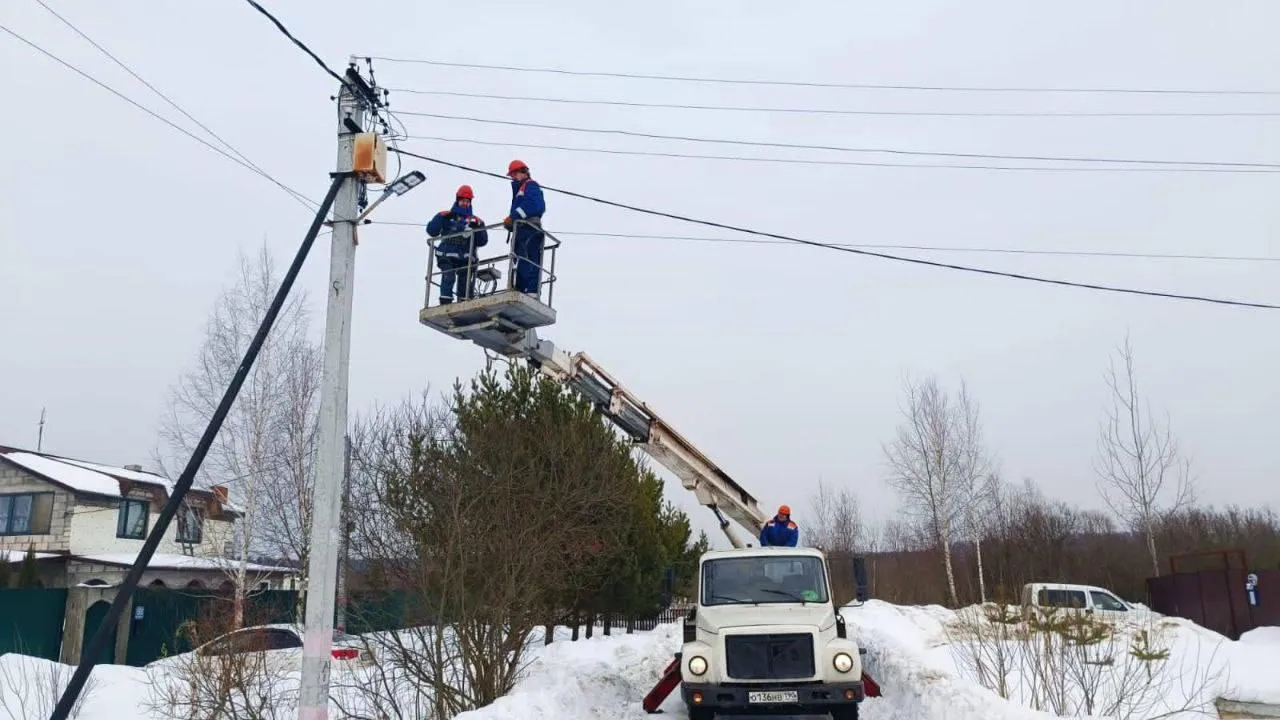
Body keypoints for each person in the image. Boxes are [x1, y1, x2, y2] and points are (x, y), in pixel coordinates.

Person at [427, 184, 488, 303]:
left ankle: (464, 301)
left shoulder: (476, 221)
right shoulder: (446, 216)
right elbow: (432, 231)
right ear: (457, 201)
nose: (465, 203)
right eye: (462, 201)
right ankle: (445, 302)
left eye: (467, 201)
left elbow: (482, 241)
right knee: (448, 276)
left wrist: (478, 228)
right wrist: (439, 218)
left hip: (465, 257)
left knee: (465, 280)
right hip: (446, 254)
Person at [501, 159, 546, 295]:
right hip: (522, 229)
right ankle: (521, 289)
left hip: (529, 228)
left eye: (514, 175)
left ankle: (530, 290)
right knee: (520, 258)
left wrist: (513, 217)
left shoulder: (530, 185)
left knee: (528, 258)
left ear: (523, 172)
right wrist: (511, 224)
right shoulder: (521, 188)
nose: (513, 178)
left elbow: (534, 205)